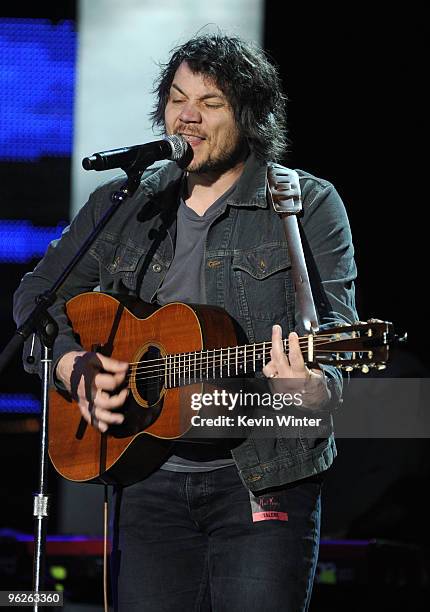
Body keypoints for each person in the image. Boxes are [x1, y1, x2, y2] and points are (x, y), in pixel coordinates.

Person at [13, 34, 357, 611]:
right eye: (177, 99)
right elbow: (37, 297)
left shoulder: (307, 205)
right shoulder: (126, 204)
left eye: (211, 103)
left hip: (262, 478)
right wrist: (73, 367)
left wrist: (314, 389)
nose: (187, 117)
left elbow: (337, 349)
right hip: (146, 477)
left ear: (249, 115)